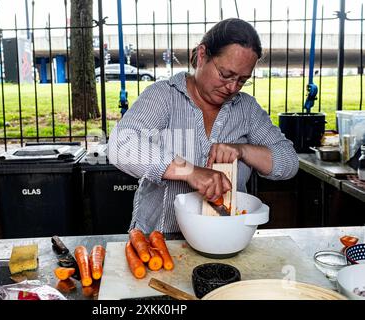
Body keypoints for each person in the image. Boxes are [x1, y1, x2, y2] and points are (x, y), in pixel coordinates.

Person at [108, 18, 299, 234]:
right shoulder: (163, 96)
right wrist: (189, 171)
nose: (231, 87)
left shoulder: (247, 109)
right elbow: (120, 145)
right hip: (160, 241)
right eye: (225, 75)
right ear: (202, 55)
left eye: (242, 80)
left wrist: (243, 150)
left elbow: (289, 162)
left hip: (226, 237)